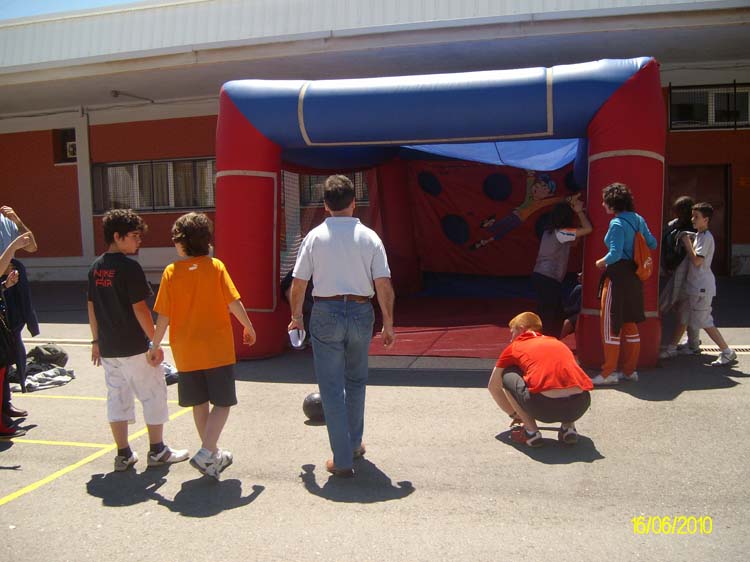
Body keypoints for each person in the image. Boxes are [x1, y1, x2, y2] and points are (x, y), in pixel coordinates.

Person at [288, 175, 395, 478]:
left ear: (325, 205)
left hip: (326, 310)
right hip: (361, 310)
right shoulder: (370, 238)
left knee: (332, 387)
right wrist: (388, 322)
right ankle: (355, 443)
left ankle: (342, 457)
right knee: (356, 381)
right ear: (353, 203)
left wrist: (296, 317)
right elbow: (383, 284)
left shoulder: (314, 237)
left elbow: (299, 284)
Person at [149, 212, 257, 480]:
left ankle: (212, 454)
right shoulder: (215, 267)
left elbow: (163, 315)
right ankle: (208, 451)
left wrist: (155, 344)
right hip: (216, 348)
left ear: (181, 243)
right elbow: (233, 302)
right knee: (223, 403)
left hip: (186, 351)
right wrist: (248, 325)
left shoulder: (171, 272)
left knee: (199, 403)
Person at [87, 209, 189, 471]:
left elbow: (91, 306)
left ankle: (123, 454)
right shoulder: (129, 268)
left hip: (109, 348)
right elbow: (140, 308)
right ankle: (157, 450)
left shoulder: (95, 267)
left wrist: (96, 341)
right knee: (153, 393)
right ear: (117, 236)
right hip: (133, 346)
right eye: (134, 236)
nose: (139, 240)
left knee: (117, 398)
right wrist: (155, 343)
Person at [487, 312, 593, 447]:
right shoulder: (557, 343)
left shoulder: (514, 347)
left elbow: (493, 386)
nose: (510, 339)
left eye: (512, 332)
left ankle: (531, 432)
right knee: (564, 375)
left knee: (507, 374)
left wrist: (514, 414)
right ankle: (568, 428)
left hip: (544, 408)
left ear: (521, 329)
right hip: (580, 405)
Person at [592, 182, 657, 385]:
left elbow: (615, 253)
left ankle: (608, 373)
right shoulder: (638, 219)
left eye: (605, 201)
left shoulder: (617, 223)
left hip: (617, 278)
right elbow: (652, 243)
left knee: (610, 324)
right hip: (634, 278)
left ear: (613, 203)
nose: (603, 204)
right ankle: (629, 371)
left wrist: (600, 262)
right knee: (630, 323)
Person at [659, 202, 737, 366]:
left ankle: (727, 351)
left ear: (706, 220)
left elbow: (697, 261)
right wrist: (690, 236)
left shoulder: (705, 237)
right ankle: (672, 348)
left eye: (696, 217)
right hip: (694, 285)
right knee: (684, 316)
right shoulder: (701, 235)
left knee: (704, 321)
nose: (692, 220)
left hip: (701, 287)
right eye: (693, 216)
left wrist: (687, 241)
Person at [531, 195, 592, 338]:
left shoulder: (550, 232)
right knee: (548, 316)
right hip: (548, 278)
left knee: (556, 314)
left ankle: (549, 340)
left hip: (543, 277)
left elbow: (574, 242)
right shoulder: (561, 233)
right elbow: (588, 229)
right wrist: (579, 212)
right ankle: (542, 342)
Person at [0, 205, 38, 424]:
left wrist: (17, 220)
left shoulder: (6, 221)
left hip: (9, 285)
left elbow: (32, 245)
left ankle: (6, 402)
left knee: (11, 344)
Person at [470, 170, 565, 250]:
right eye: (538, 184)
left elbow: (551, 200)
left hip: (517, 220)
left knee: (502, 231)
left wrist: (565, 199)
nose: (537, 187)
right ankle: (488, 227)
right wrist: (530, 174)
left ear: (549, 194)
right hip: (514, 216)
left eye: (544, 187)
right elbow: (529, 185)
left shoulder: (540, 203)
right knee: (499, 226)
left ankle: (486, 238)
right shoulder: (529, 197)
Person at [659, 195, 700, 354]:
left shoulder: (692, 229)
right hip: (674, 270)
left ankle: (685, 344)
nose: (678, 215)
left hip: (685, 272)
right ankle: (692, 342)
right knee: (685, 308)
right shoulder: (673, 225)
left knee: (686, 308)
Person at [560, 273, 582, 340]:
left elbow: (577, 308)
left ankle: (558, 341)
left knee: (568, 322)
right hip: (574, 310)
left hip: (582, 312)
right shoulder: (579, 288)